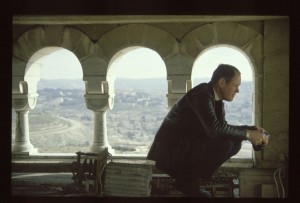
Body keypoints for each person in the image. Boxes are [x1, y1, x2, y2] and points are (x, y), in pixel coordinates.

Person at [147, 64, 269, 197]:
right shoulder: (202, 93)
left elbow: (222, 128)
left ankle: (189, 181)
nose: (238, 90)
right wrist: (248, 134)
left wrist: (251, 132)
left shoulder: (215, 97)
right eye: (236, 85)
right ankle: (187, 182)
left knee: (234, 142)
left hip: (187, 145)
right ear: (222, 82)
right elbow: (215, 130)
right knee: (227, 144)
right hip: (171, 151)